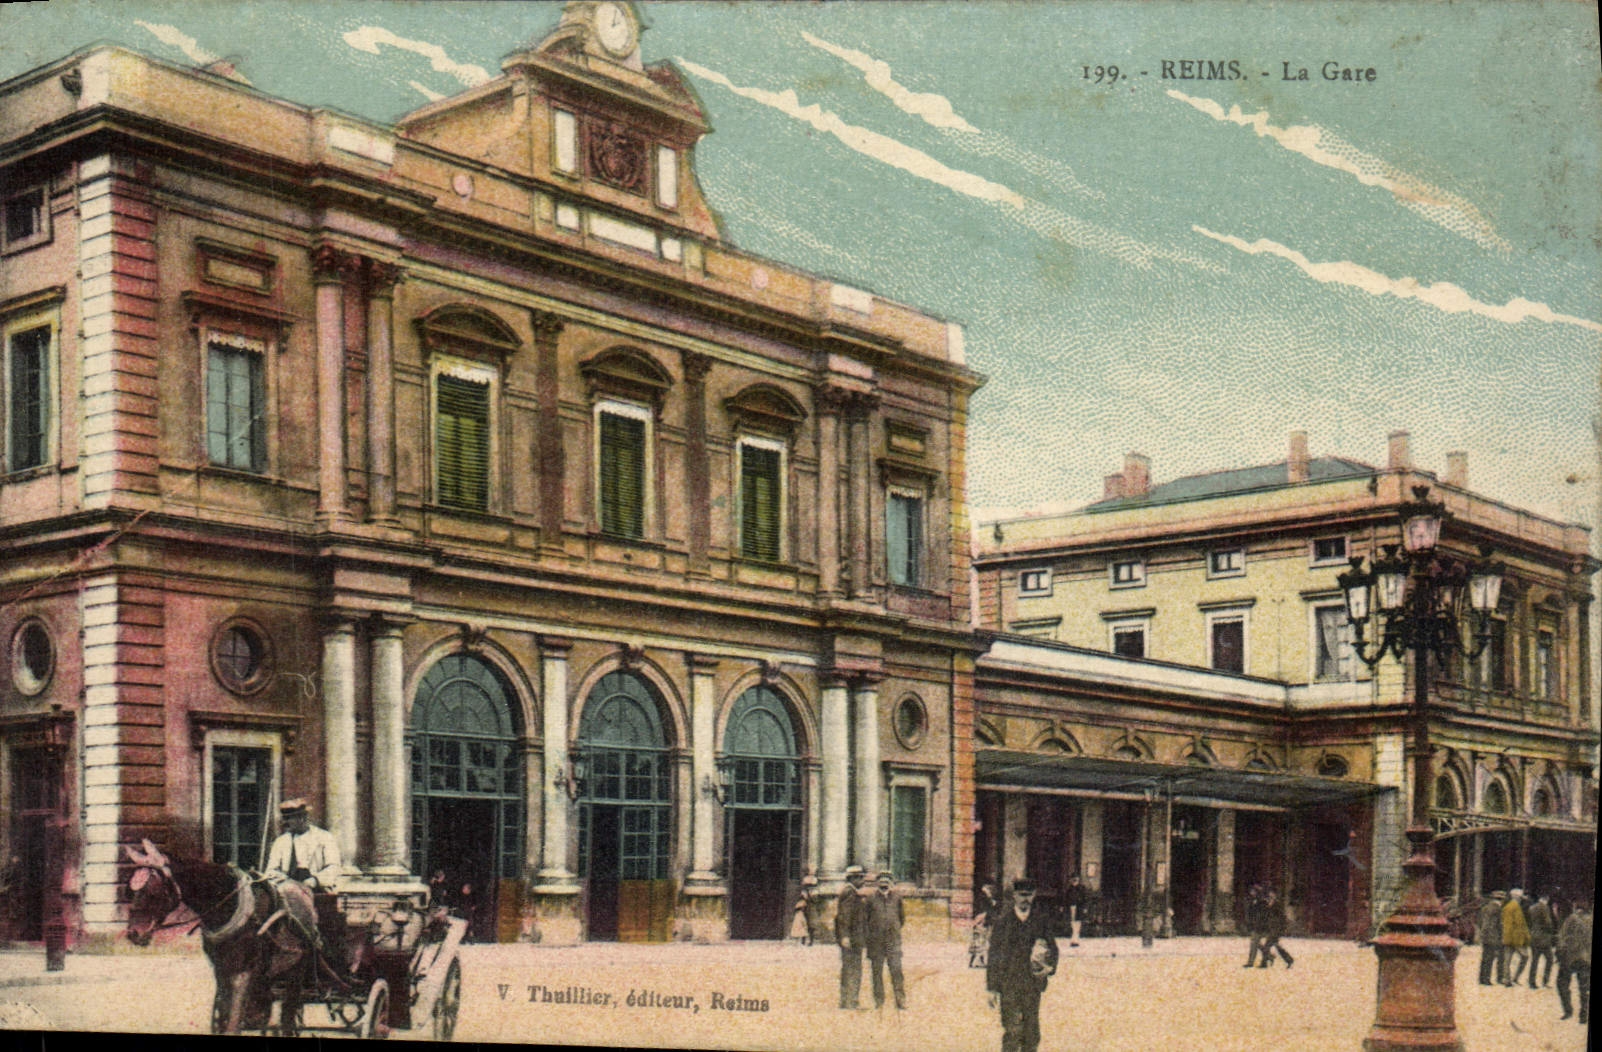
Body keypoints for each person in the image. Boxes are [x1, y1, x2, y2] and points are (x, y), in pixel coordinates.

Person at [264, 799, 345, 970]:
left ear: (302, 818)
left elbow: (334, 867)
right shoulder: (281, 842)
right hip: (287, 890)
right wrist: (282, 879)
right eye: (285, 819)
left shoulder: (324, 838)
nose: (287, 823)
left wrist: (314, 880)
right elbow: (271, 870)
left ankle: (317, 945)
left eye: (290, 819)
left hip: (317, 890)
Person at [986, 878, 1058, 1052]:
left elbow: (1053, 949)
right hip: (1008, 983)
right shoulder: (1003, 922)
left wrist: (1048, 968)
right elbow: (993, 956)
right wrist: (992, 988)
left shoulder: (1041, 921)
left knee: (1031, 1032)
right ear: (1014, 896)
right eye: (1021, 895)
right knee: (1012, 1030)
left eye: (1029, 895)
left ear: (1034, 895)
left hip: (1032, 984)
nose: (1025, 899)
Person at [863, 873, 906, 1009]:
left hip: (893, 941)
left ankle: (900, 1000)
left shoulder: (897, 898)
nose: (884, 884)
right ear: (877, 883)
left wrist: (894, 929)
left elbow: (901, 918)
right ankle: (879, 1001)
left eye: (887, 881)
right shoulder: (870, 899)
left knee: (896, 971)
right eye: (881, 881)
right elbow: (865, 920)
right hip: (876, 942)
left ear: (891, 883)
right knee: (877, 973)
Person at [1554, 899, 1590, 1024]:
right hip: (1585, 959)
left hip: (1570, 958)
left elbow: (1563, 938)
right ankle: (1583, 1014)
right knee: (1584, 988)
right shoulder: (1588, 920)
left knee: (1562, 983)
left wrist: (1560, 952)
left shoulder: (1571, 919)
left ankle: (1568, 1010)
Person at [836, 865, 867, 1009]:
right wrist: (845, 936)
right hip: (852, 938)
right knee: (853, 969)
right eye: (860, 877)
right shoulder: (850, 893)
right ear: (852, 878)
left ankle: (845, 1001)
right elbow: (845, 916)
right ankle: (851, 1001)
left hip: (852, 937)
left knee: (848, 968)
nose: (863, 880)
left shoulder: (850, 892)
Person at [1500, 888, 1530, 986]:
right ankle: (1512, 978)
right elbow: (1508, 925)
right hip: (1515, 939)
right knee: (1524, 957)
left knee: (1507, 960)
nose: (1521, 900)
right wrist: (1508, 939)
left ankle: (1507, 979)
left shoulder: (1511, 907)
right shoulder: (1512, 907)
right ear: (1517, 897)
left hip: (1513, 938)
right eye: (1520, 898)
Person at [1257, 888, 1293, 968]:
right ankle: (1289, 960)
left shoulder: (1277, 905)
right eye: (1269, 895)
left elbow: (1282, 918)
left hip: (1276, 930)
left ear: (1275, 896)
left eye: (1272, 895)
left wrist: (1281, 929)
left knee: (1266, 946)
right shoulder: (1269, 905)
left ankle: (1264, 963)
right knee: (1276, 946)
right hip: (1272, 929)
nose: (1270, 896)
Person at [1527, 891, 1556, 989]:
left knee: (1534, 960)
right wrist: (1552, 930)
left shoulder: (1532, 908)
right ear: (1546, 898)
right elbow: (1548, 923)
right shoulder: (1545, 908)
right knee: (1550, 959)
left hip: (1534, 936)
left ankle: (1531, 981)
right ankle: (1545, 980)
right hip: (1543, 938)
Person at [1476, 891, 1505, 986]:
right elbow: (1498, 924)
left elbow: (1480, 921)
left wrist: (1482, 933)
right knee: (1490, 958)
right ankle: (1486, 979)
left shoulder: (1485, 907)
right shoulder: (1497, 909)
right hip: (1493, 936)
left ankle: (1482, 978)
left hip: (1485, 936)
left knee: (1485, 958)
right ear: (1501, 899)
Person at [793, 875, 826, 945]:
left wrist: (809, 896)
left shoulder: (815, 892)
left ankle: (811, 940)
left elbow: (816, 900)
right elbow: (801, 899)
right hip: (805, 909)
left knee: (811, 925)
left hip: (811, 909)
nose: (809, 887)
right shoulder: (804, 891)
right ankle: (803, 940)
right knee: (803, 924)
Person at [1242, 884, 1266, 968]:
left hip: (1258, 925)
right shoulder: (1253, 900)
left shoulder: (1261, 902)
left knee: (1253, 944)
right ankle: (1269, 956)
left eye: (1253, 891)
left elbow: (1261, 915)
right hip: (1254, 925)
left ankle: (1250, 962)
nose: (1251, 892)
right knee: (1257, 944)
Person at [1065, 873, 1088, 947]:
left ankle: (1075, 939)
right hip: (1071, 907)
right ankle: (1073, 939)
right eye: (1073, 880)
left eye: (1076, 880)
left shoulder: (1082, 888)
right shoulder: (1069, 889)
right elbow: (1066, 899)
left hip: (1079, 908)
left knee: (1077, 924)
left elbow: (1085, 898)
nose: (1074, 881)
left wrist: (1085, 907)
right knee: (1072, 923)